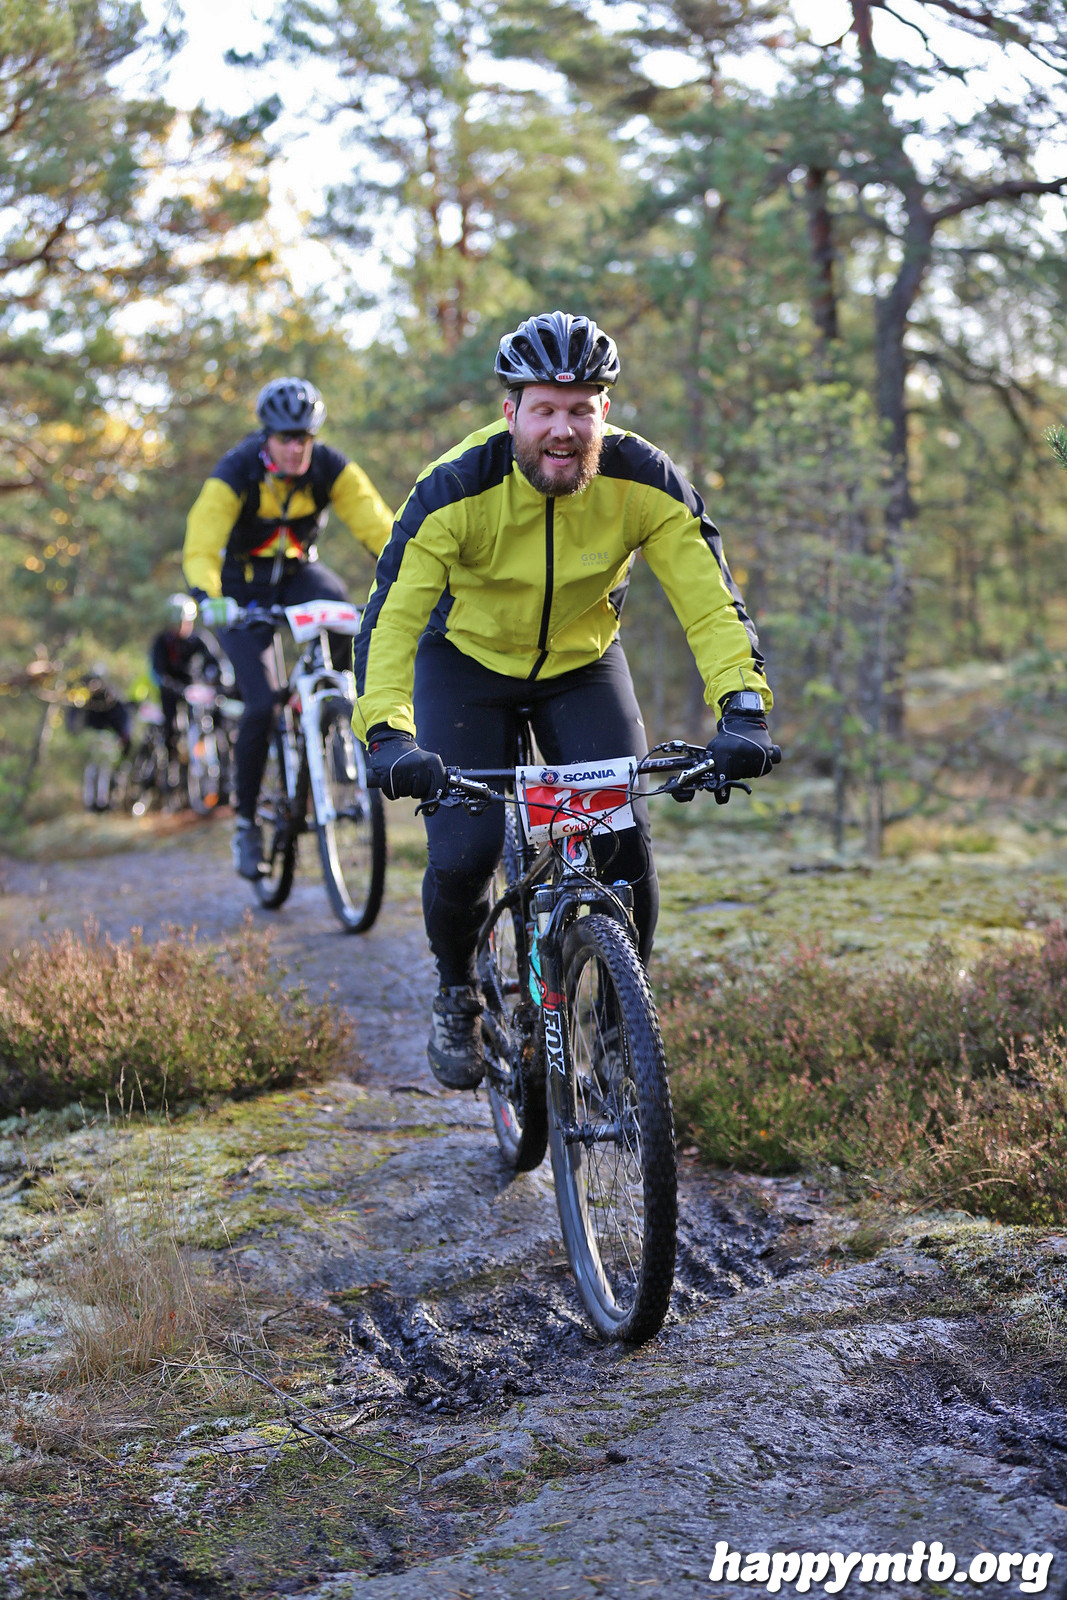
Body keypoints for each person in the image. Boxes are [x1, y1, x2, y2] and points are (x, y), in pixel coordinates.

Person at [354, 310, 777, 1090]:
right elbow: (392, 618)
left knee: (622, 848)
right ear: (509, 410)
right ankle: (457, 990)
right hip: (463, 665)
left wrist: (742, 708)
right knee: (465, 852)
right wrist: (387, 731)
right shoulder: (454, 486)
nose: (562, 429)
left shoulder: (643, 479)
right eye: (544, 409)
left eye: (579, 410)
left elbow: (709, 601)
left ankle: (620, 1029)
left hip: (581, 666)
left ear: (603, 411)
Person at [182, 377, 393, 878]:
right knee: (260, 704)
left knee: (342, 613)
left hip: (299, 575)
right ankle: (246, 825)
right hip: (240, 590)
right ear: (267, 436)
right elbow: (201, 544)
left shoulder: (330, 467)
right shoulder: (236, 471)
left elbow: (379, 526)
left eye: (305, 437)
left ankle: (331, 707)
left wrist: (411, 572)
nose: (297, 448)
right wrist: (209, 598)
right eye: (286, 438)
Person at [149, 594, 228, 761]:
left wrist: (218, 683)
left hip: (194, 689)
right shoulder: (162, 642)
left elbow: (216, 662)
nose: (184, 627)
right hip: (172, 690)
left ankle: (221, 762)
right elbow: (158, 672)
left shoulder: (199, 639)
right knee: (171, 728)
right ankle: (171, 761)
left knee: (216, 718)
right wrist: (177, 689)